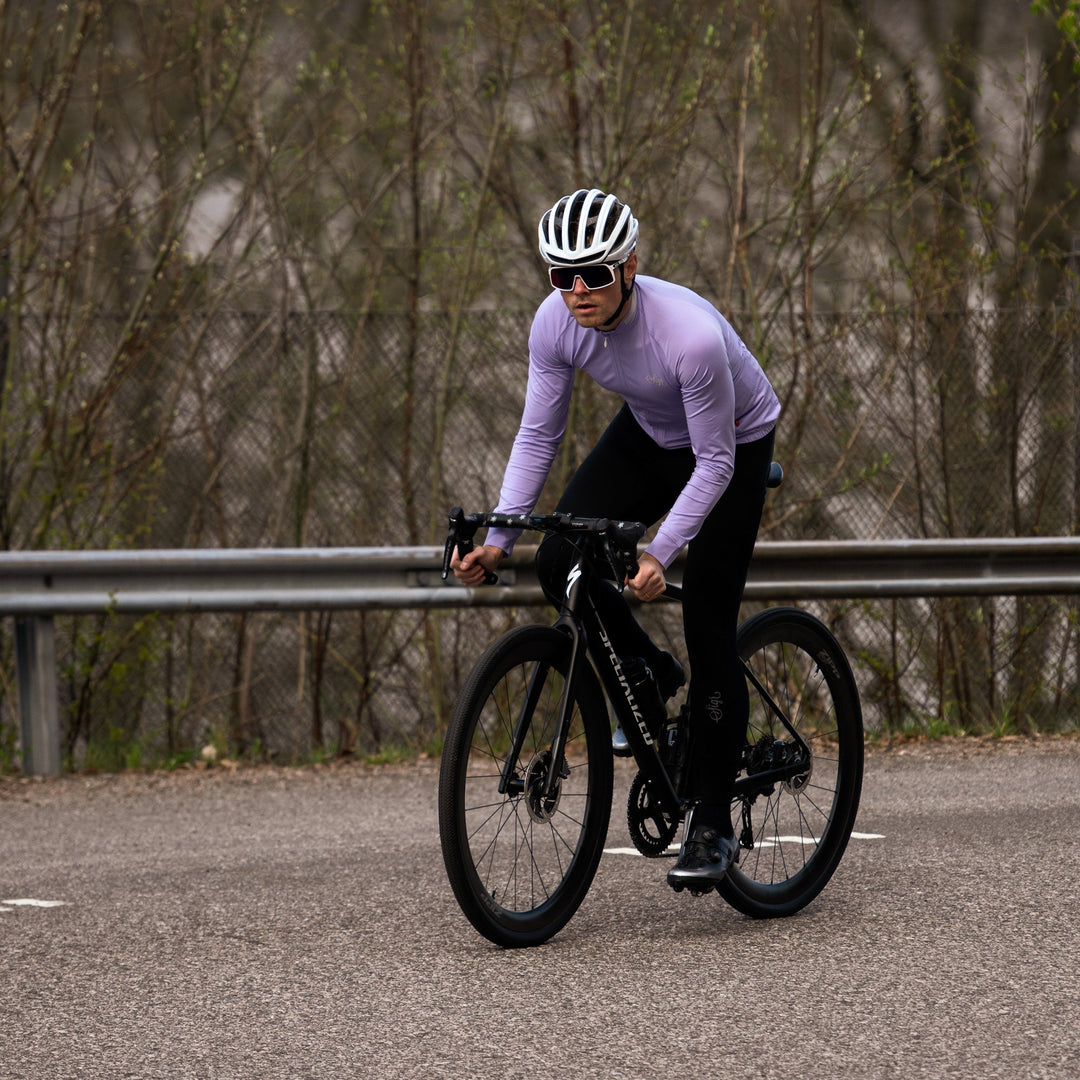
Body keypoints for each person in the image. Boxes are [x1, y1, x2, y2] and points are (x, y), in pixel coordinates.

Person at [450, 187, 780, 893]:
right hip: (654, 431)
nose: (576, 291)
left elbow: (716, 463)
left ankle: (715, 820)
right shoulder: (554, 323)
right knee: (558, 560)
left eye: (593, 273)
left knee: (708, 618)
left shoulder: (685, 332)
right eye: (560, 275)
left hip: (733, 443)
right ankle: (645, 672)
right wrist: (500, 538)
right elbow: (539, 432)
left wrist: (662, 550)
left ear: (629, 267)